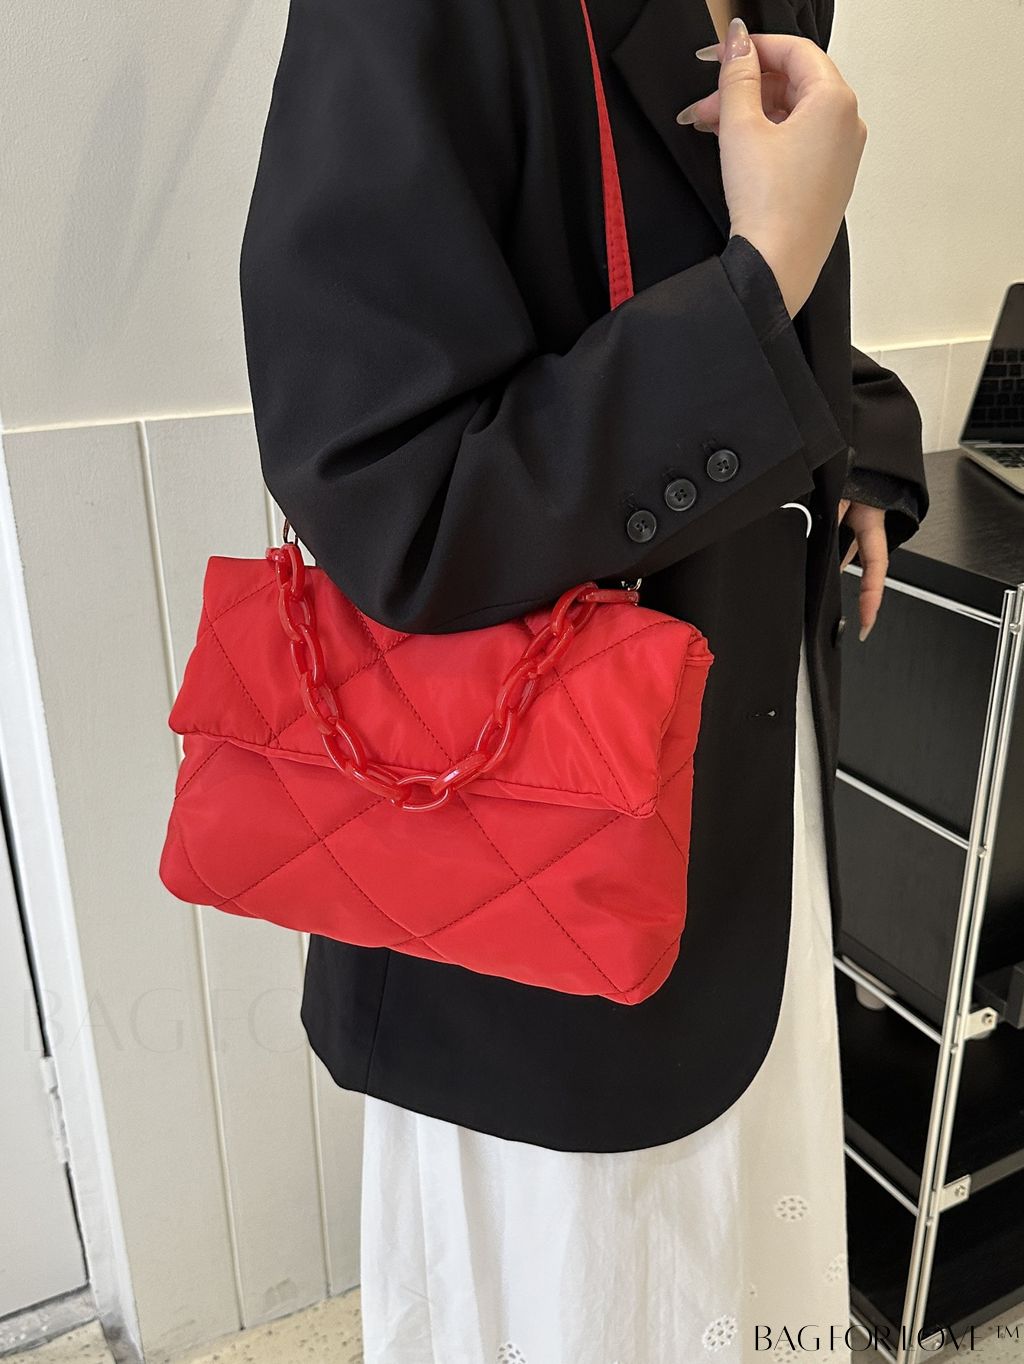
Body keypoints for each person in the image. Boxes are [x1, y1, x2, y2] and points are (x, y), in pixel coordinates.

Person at [238, 0, 928, 1357]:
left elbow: (673, 263)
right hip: (534, 868)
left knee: (737, 1264)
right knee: (585, 1292)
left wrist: (858, 438)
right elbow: (394, 493)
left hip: (744, 801)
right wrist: (761, 285)